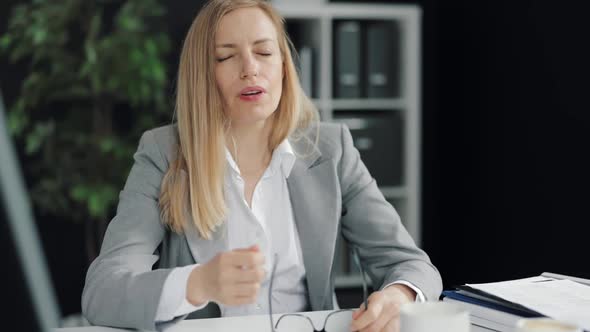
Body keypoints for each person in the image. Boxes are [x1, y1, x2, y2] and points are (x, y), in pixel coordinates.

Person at [81, 0, 443, 331]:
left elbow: (411, 265)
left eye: (264, 52)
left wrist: (400, 296)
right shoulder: (162, 153)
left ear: (284, 66)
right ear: (202, 75)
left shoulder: (332, 150)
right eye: (226, 57)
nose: (250, 69)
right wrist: (199, 283)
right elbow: (103, 292)